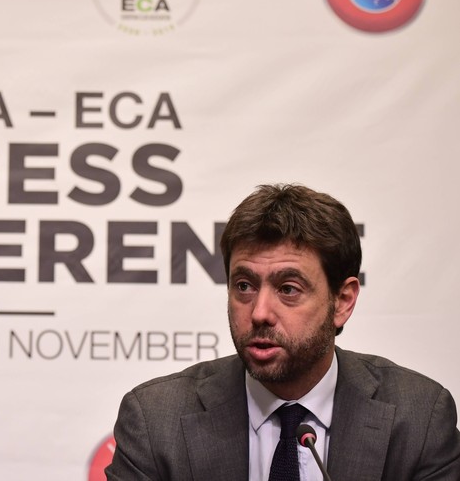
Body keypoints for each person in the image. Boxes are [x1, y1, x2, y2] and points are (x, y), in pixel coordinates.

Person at [105, 183, 460, 480]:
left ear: (342, 301)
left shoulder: (418, 418)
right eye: (243, 286)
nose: (259, 313)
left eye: (288, 289)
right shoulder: (155, 420)